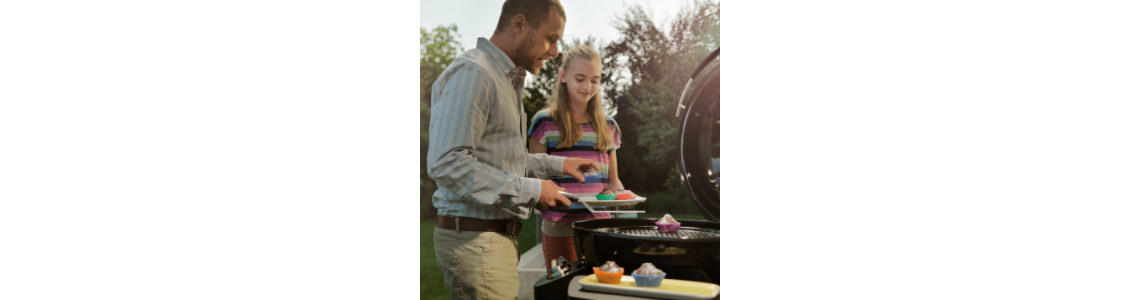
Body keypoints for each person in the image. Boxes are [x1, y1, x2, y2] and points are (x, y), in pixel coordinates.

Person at [426, 1, 598, 299]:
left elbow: (503, 162)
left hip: (491, 239)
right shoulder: (475, 73)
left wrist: (560, 165)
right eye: (550, 38)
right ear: (519, 25)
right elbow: (447, 162)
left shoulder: (504, 79)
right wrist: (532, 191)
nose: (555, 52)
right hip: (475, 240)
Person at [526, 45, 641, 269]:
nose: (587, 87)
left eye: (594, 80)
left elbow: (612, 181)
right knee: (562, 289)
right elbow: (533, 174)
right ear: (563, 77)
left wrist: (624, 197)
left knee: (599, 286)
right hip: (558, 226)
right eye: (580, 79)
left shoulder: (608, 126)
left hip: (599, 228)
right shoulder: (544, 122)